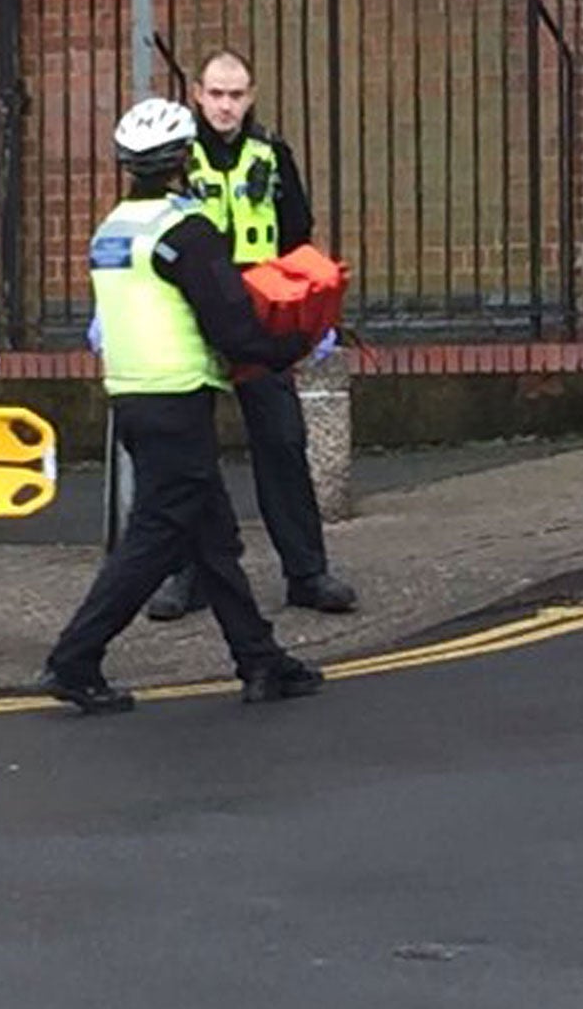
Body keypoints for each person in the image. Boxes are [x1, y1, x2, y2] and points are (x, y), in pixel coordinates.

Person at [38, 97, 325, 715]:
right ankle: (75, 657)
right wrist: (295, 343)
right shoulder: (187, 231)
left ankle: (261, 659)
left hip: (133, 397)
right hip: (179, 397)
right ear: (186, 157)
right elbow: (234, 326)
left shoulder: (113, 229)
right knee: (154, 538)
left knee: (214, 539)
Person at [143, 48, 358, 621]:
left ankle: (307, 572)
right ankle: (187, 576)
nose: (225, 105)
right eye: (216, 93)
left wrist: (309, 308)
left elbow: (297, 234)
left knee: (283, 442)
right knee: (191, 452)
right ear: (197, 94)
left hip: (260, 313)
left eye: (236, 95)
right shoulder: (175, 157)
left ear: (252, 95)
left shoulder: (272, 152)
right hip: (193, 308)